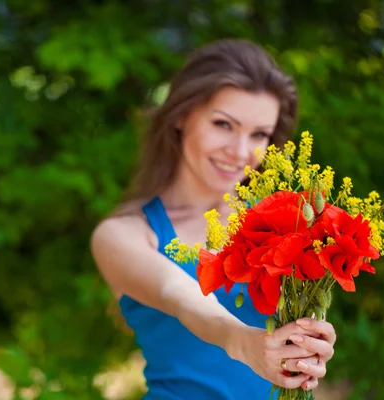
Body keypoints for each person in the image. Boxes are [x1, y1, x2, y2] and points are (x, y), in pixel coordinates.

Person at [90, 39, 337, 399]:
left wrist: (309, 345)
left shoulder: (284, 223)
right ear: (180, 115)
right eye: (223, 124)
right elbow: (180, 295)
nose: (239, 152)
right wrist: (245, 343)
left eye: (258, 134)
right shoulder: (122, 235)